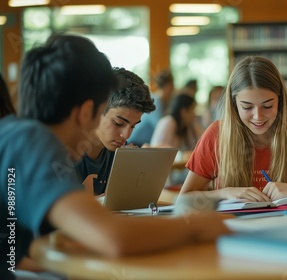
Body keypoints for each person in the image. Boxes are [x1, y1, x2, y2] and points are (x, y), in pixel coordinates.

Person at [0, 34, 228, 280]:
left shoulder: (16, 135)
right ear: (88, 111)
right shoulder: (32, 142)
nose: (125, 134)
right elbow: (113, 239)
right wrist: (194, 226)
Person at [179, 56, 287, 202]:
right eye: (247, 107)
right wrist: (224, 193)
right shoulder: (217, 133)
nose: (258, 116)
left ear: (280, 101)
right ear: (234, 105)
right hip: (234, 232)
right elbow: (185, 199)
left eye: (267, 105)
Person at [75, 67, 156, 195]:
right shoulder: (64, 153)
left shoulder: (117, 155)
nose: (127, 135)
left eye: (133, 126)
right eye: (118, 123)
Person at [128, 70, 175, 147]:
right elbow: (161, 127)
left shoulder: (162, 102)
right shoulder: (154, 101)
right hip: (135, 143)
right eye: (173, 86)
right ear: (168, 86)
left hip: (143, 144)